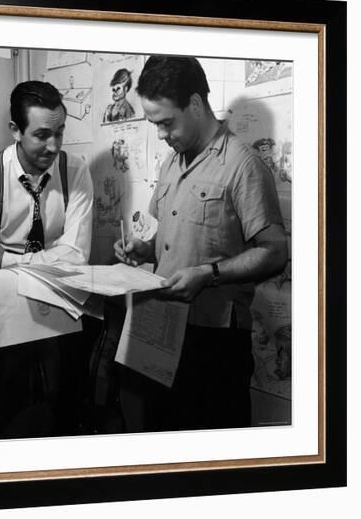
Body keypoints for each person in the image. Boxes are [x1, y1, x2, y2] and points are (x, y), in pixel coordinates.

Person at [114, 56, 288, 431]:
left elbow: (275, 253)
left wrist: (209, 274)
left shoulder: (243, 166)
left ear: (195, 104)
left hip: (215, 342)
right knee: (161, 435)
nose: (160, 134)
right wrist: (144, 249)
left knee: (211, 455)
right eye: (154, 124)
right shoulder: (171, 163)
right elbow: (172, 235)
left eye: (165, 122)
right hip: (161, 328)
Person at [0, 80, 94, 439]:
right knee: (6, 404)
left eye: (60, 132)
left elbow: (76, 256)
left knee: (63, 402)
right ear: (15, 129)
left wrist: (6, 262)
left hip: (58, 301)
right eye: (42, 134)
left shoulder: (74, 172)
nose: (54, 145)